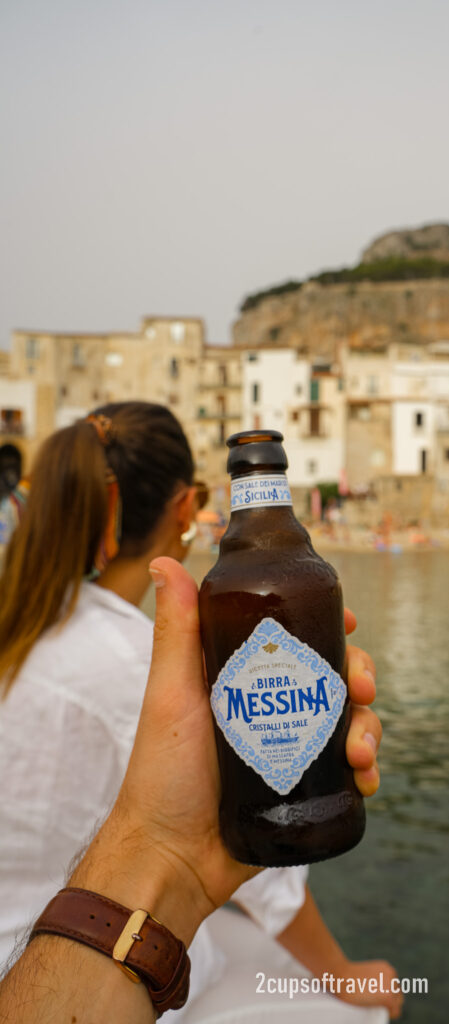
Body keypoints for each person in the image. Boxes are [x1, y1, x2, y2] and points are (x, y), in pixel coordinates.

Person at [0, 403, 402, 1021]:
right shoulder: (142, 664)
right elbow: (274, 867)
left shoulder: (23, 621)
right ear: (187, 510)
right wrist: (346, 978)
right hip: (58, 965)